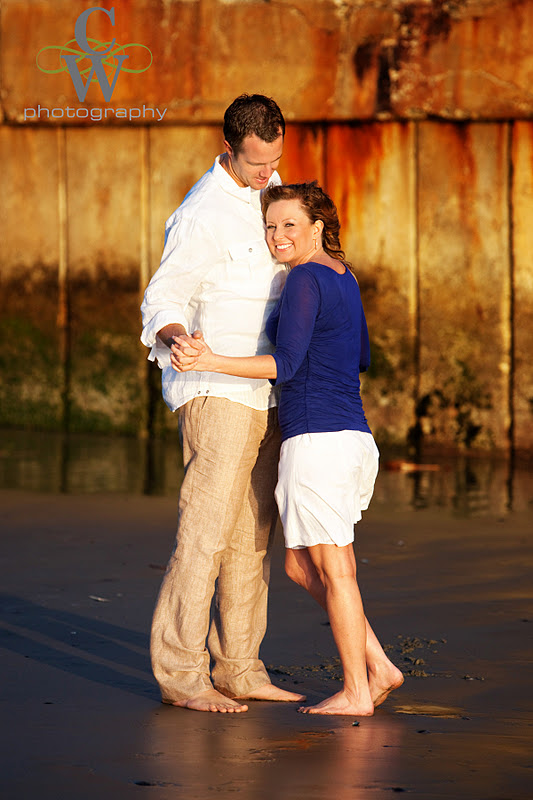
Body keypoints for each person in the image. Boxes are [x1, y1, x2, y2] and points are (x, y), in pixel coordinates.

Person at [172, 181, 404, 715]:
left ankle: (356, 690)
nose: (277, 236)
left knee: (337, 569)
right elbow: (361, 354)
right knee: (302, 567)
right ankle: (380, 664)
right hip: (351, 438)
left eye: (289, 225)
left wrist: (210, 359)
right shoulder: (344, 278)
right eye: (270, 225)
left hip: (317, 440)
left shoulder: (302, 278)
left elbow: (286, 366)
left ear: (318, 227)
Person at [140, 94, 306, 713]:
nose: (268, 175)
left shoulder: (273, 192)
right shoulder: (200, 212)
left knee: (250, 537)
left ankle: (239, 666)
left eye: (276, 161)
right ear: (229, 146)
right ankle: (181, 674)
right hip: (214, 390)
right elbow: (161, 299)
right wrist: (177, 338)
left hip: (266, 387)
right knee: (204, 536)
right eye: (258, 164)